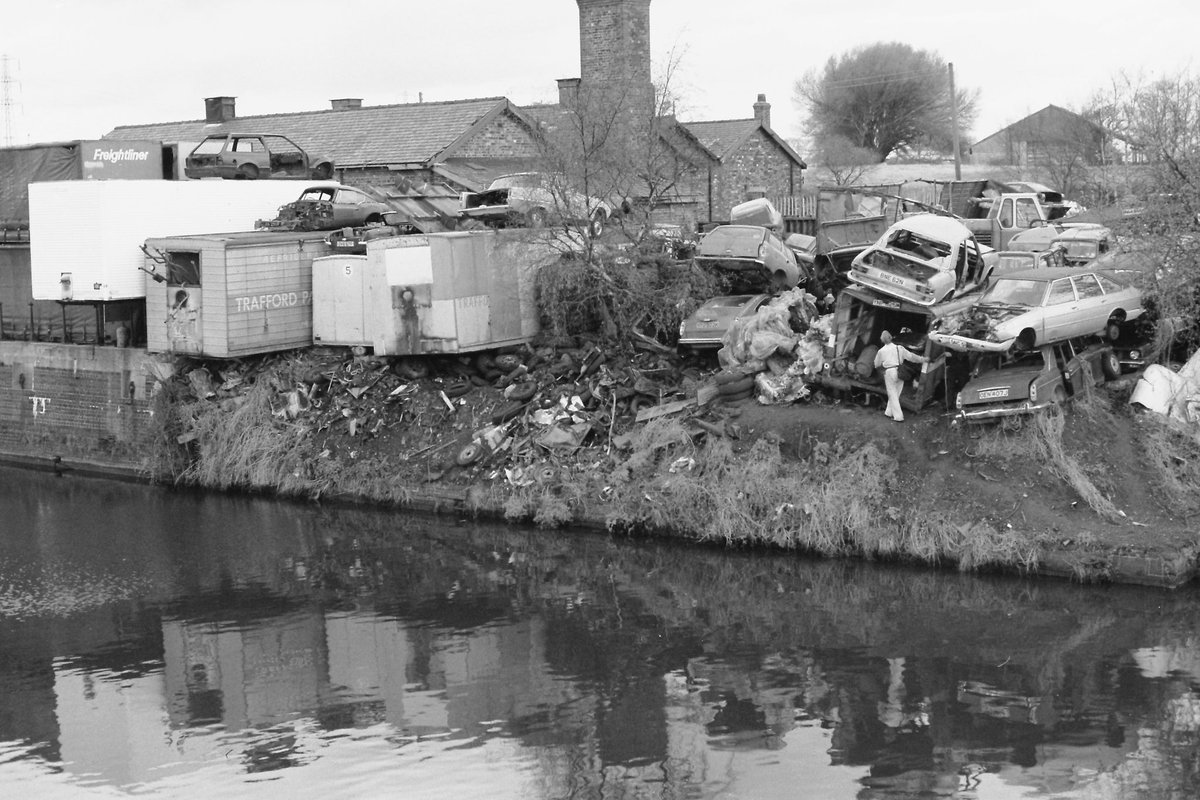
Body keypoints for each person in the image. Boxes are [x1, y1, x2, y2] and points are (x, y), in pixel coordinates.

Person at [872, 330, 927, 421]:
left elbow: (876, 364)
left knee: (892, 394)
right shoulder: (899, 348)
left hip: (889, 372)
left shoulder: (881, 351)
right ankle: (889, 412)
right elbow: (912, 357)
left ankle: (898, 417)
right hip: (900, 371)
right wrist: (923, 359)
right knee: (895, 393)